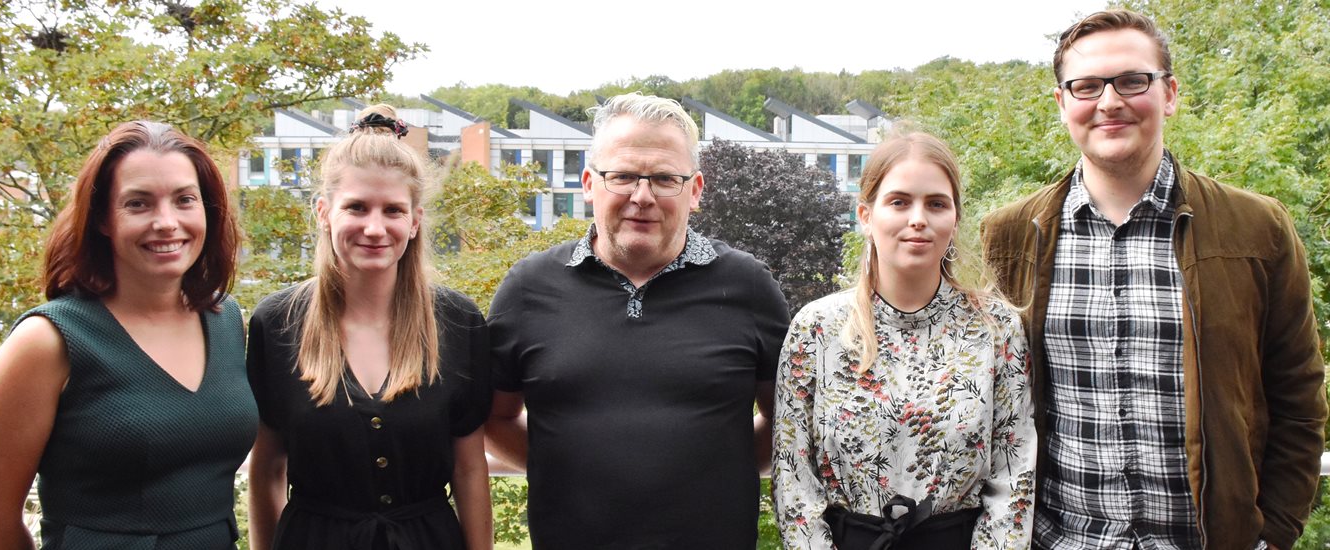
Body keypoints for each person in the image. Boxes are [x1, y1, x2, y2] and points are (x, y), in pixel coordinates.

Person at [980, 9, 1326, 550]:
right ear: (1062, 104)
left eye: (1132, 80)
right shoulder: (1009, 237)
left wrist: (1274, 534)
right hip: (1058, 541)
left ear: (1169, 93)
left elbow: (1298, 397)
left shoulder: (1258, 229)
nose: (1110, 101)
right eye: (1087, 86)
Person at [484, 92, 790, 549]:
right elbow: (494, 417)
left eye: (665, 178)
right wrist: (566, 460)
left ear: (696, 189)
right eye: (622, 176)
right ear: (589, 183)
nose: (642, 196)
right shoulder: (528, 289)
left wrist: (712, 460)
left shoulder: (747, 288)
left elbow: (784, 423)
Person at [0, 120, 254, 548]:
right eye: (138, 204)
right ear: (102, 218)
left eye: (185, 200)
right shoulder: (48, 341)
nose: (167, 222)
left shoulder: (227, 319)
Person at [246, 105, 492, 550]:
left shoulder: (459, 322)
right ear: (324, 212)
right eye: (356, 207)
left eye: (393, 210)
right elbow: (267, 470)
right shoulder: (277, 323)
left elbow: (470, 469)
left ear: (414, 221)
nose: (374, 228)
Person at [773, 131, 1035, 550]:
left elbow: (1014, 474)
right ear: (865, 215)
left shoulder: (995, 327)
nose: (918, 218)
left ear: (954, 218)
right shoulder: (817, 329)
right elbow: (793, 478)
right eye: (899, 202)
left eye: (936, 203)